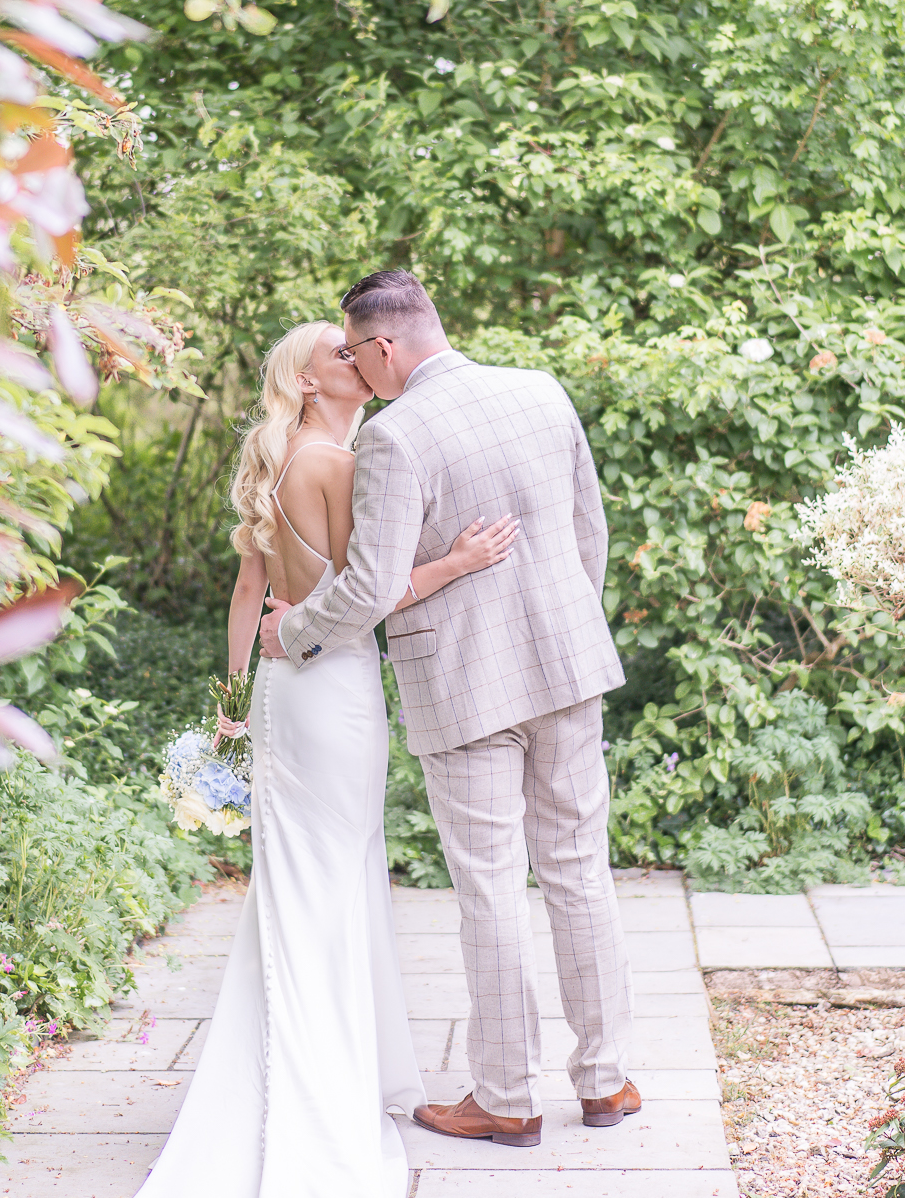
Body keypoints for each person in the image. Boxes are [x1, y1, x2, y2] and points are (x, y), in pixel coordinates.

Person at [12, 319, 517, 1198]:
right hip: (332, 693)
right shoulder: (337, 456)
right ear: (313, 378)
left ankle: (310, 1061)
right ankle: (316, 1085)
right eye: (342, 353)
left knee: (302, 882)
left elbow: (254, 590)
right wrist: (457, 562)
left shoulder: (281, 459)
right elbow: (361, 595)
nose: (360, 360)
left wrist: (232, 702)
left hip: (288, 694)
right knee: (327, 878)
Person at [260, 270, 634, 1151]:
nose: (357, 367)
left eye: (355, 352)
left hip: (464, 685)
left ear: (385, 347)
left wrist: (295, 635)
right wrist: (566, 624)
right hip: (570, 665)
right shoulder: (539, 391)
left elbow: (372, 585)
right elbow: (591, 533)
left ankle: (504, 1097)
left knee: (492, 886)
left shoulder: (397, 437)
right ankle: (606, 1082)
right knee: (580, 868)